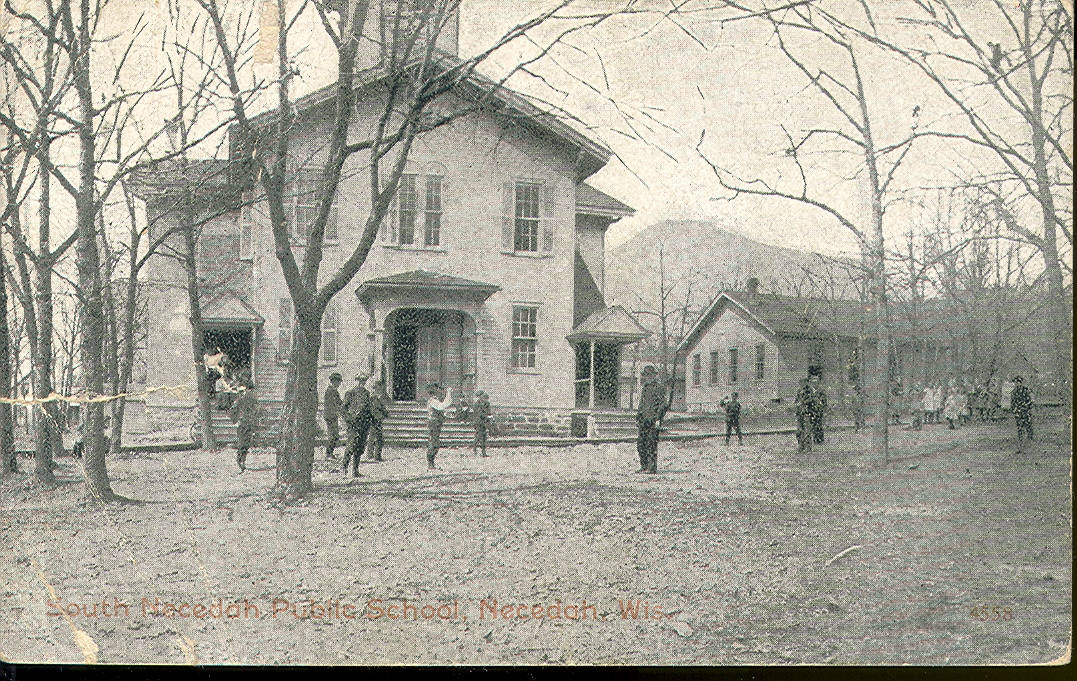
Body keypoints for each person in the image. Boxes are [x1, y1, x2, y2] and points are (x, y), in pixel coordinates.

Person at [635, 365, 670, 474]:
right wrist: (638, 416)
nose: (647, 377)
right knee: (641, 444)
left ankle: (652, 467)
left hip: (653, 420)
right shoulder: (645, 388)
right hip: (643, 420)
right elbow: (641, 404)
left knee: (651, 444)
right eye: (646, 375)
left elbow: (663, 405)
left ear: (654, 376)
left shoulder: (659, 387)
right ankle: (644, 465)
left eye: (649, 375)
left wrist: (658, 418)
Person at [341, 374, 371, 477]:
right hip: (353, 424)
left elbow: (368, 408)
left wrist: (369, 422)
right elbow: (343, 409)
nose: (362, 383)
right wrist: (349, 420)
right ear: (356, 380)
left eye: (364, 381)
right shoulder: (350, 393)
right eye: (360, 380)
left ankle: (355, 470)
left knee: (360, 447)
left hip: (364, 424)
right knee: (351, 445)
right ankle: (344, 467)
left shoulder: (366, 393)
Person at [230, 381, 258, 473]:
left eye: (252, 390)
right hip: (242, 424)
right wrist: (235, 421)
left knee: (247, 444)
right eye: (249, 390)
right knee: (242, 443)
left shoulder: (253, 401)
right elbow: (232, 411)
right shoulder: (239, 401)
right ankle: (240, 461)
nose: (250, 392)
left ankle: (243, 461)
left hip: (249, 424)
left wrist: (255, 422)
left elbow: (256, 412)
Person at [426, 383, 453, 469]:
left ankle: (432, 463)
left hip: (436, 423)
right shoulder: (433, 400)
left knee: (435, 442)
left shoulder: (435, 400)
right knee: (434, 443)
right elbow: (442, 406)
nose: (441, 392)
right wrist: (448, 394)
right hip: (433, 423)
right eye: (439, 390)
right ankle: (430, 463)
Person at [366, 379, 390, 462]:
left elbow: (384, 406)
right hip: (374, 419)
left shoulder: (381, 396)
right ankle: (375, 456)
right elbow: (377, 408)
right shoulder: (373, 398)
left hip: (377, 419)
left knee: (373, 437)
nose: (378, 389)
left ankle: (372, 455)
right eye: (377, 387)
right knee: (377, 438)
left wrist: (385, 413)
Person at [322, 373, 343, 460]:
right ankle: (328, 454)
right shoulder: (331, 391)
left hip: (331, 415)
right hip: (331, 415)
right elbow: (335, 403)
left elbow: (338, 403)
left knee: (334, 435)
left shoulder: (331, 390)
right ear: (334, 381)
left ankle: (330, 453)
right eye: (338, 382)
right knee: (333, 435)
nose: (339, 384)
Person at [1011, 376, 1034, 444]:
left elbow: (1030, 401)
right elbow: (1013, 402)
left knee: (1028, 424)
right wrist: (1015, 410)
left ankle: (1030, 437)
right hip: (1018, 411)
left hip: (1025, 410)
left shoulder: (1025, 390)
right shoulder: (1014, 392)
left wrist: (1027, 406)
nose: (1017, 384)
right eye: (1016, 383)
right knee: (1019, 425)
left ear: (1021, 383)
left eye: (1018, 382)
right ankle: (1020, 438)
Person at [794, 378, 813, 453]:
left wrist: (803, 402)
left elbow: (811, 399)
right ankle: (801, 446)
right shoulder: (799, 391)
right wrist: (795, 405)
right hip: (799, 413)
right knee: (799, 430)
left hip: (807, 412)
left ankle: (808, 446)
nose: (801, 384)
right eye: (800, 383)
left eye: (803, 383)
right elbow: (796, 400)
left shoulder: (809, 391)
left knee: (807, 430)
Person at [472, 390, 492, 457]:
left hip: (485, 422)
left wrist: (490, 417)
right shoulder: (476, 404)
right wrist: (486, 416)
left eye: (482, 396)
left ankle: (483, 452)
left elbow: (489, 411)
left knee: (484, 437)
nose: (481, 397)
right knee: (478, 436)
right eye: (479, 396)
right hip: (479, 422)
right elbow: (478, 414)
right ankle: (475, 448)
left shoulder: (487, 403)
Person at [809, 375, 827, 444]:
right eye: (813, 383)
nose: (814, 384)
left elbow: (824, 400)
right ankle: (813, 438)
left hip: (819, 410)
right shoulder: (809, 391)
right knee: (812, 424)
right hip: (811, 410)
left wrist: (822, 405)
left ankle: (819, 439)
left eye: (816, 382)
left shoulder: (821, 391)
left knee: (818, 424)